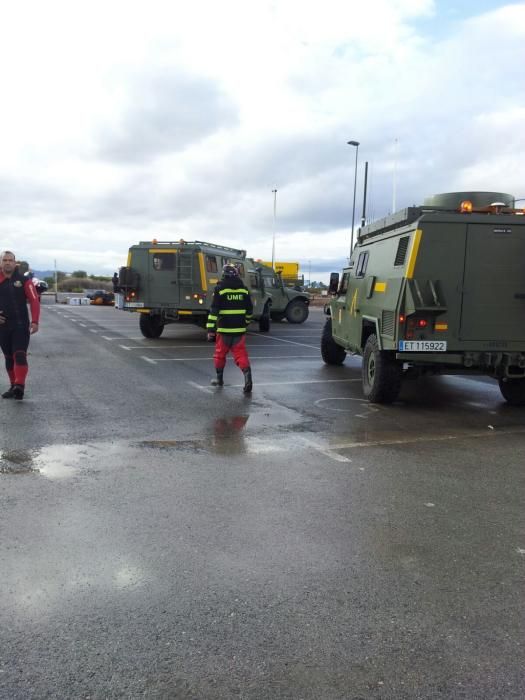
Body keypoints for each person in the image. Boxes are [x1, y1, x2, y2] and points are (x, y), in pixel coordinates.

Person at [206, 263, 253, 393]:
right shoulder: (244, 290)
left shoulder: (220, 289)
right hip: (239, 330)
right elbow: (249, 310)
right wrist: (246, 323)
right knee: (241, 354)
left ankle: (219, 380)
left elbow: (214, 311)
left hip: (224, 330)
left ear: (224, 275)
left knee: (219, 355)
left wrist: (210, 330)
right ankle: (248, 378)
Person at [0, 251, 40, 400]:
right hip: (3, 327)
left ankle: (20, 385)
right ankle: (13, 386)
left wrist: (35, 321)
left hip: (20, 325)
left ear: (15, 263)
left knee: (19, 354)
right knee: (8, 357)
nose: (8, 262)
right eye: (5, 260)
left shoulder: (24, 280)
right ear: (1, 263)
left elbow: (34, 300)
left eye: (11, 260)